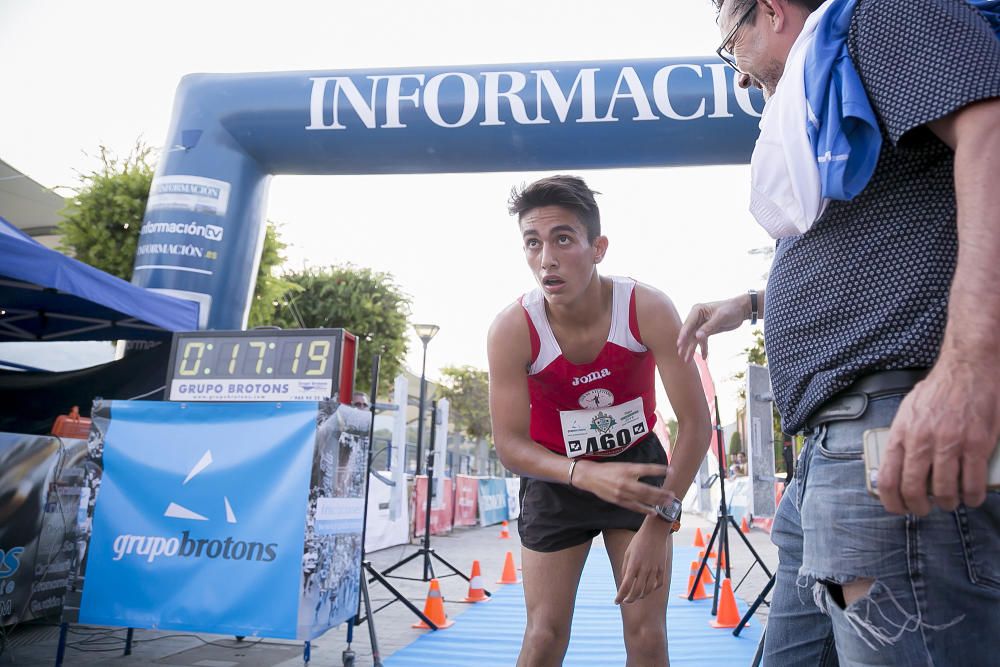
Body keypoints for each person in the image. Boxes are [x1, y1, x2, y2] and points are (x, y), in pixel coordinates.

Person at [678, 1, 1000, 664]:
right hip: (834, 450)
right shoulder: (829, 78)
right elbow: (891, 242)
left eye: (727, 44)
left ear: (769, 11)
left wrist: (971, 367)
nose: (736, 76)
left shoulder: (879, 13)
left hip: (892, 427)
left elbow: (991, 134)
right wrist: (752, 301)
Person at [487, 175, 711, 666]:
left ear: (597, 248)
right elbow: (509, 444)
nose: (546, 257)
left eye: (563, 238)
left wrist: (660, 522)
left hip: (639, 475)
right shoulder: (512, 328)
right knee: (544, 636)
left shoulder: (646, 307)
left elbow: (697, 424)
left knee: (647, 635)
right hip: (556, 475)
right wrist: (583, 472)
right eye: (533, 242)